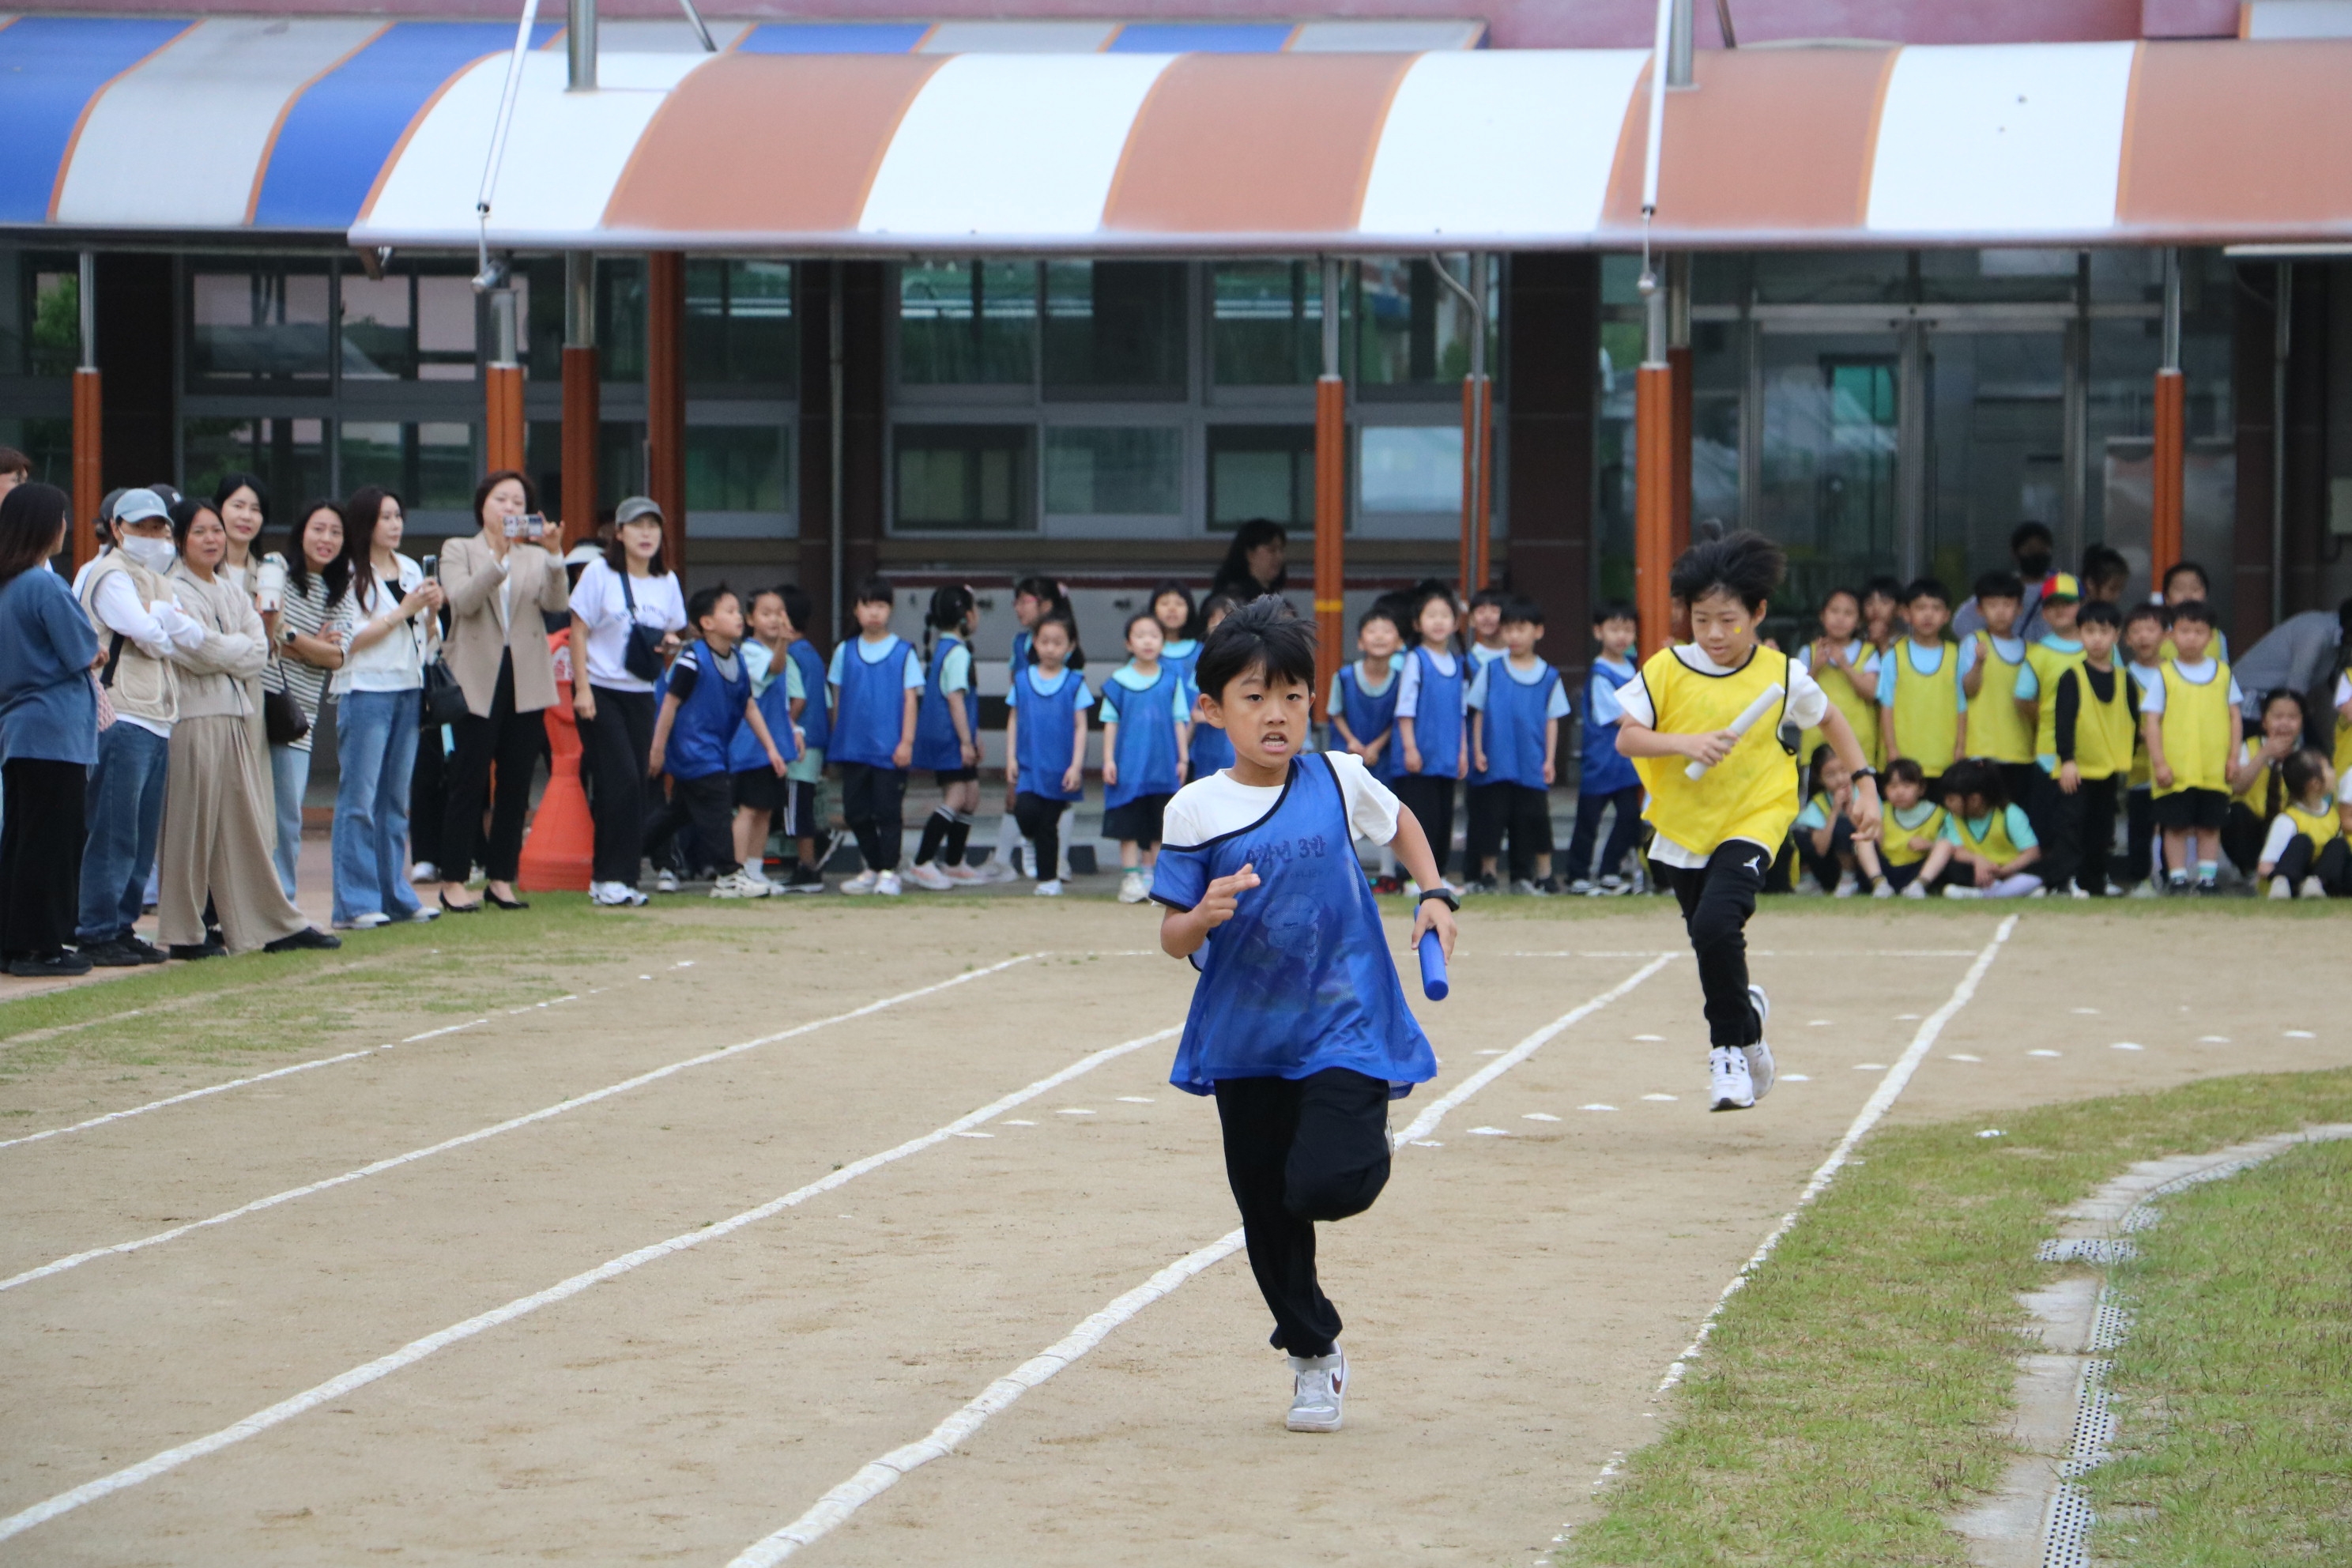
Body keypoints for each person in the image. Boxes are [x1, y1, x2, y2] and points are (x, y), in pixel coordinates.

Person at [1150, 595, 1453, 1436]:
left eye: (1291, 695)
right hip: (1247, 1037)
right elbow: (1170, 937)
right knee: (1266, 1212)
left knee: (1324, 1182)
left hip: (1343, 1017)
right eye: (1254, 697)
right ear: (1212, 710)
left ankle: (1359, 1139)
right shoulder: (1195, 810)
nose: (1276, 714)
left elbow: (1402, 825)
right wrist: (1199, 916)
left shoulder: (1336, 776)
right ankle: (1313, 1356)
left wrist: (1433, 891)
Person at [1614, 532, 1879, 1113]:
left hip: (1757, 816)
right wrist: (1687, 743)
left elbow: (1832, 721)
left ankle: (1726, 1052)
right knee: (1710, 945)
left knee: (1715, 926)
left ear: (1757, 614)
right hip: (1683, 826)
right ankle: (1750, 1026)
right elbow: (1627, 737)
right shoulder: (1667, 669)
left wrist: (1867, 787)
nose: (1713, 633)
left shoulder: (1783, 675)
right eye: (1701, 619)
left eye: (1728, 620)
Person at [157, 496, 337, 957]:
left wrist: (227, 649)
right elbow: (192, 652)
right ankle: (183, 932)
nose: (212, 539)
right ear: (179, 539)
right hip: (194, 719)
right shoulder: (170, 589)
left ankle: (270, 924)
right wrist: (232, 649)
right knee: (189, 827)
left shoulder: (233, 589)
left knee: (247, 828)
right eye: (199, 531)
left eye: (216, 530)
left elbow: (258, 650)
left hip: (241, 717)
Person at [74, 488, 200, 967]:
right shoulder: (107, 573)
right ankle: (97, 929)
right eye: (143, 527)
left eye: (160, 527)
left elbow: (184, 635)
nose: (155, 536)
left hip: (157, 717)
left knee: (142, 834)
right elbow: (147, 632)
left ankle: (121, 926)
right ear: (116, 527)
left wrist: (162, 623)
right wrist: (165, 622)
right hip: (120, 712)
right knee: (113, 830)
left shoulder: (153, 577)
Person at [437, 469, 570, 913]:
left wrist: (554, 556)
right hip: (476, 676)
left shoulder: (534, 556)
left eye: (518, 502)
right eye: (501, 500)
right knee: (468, 780)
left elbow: (556, 605)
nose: (510, 509)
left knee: (515, 783)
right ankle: (454, 878)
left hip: (526, 675)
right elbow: (463, 601)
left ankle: (501, 878)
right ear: (483, 506)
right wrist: (496, 560)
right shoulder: (460, 549)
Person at [0, 484, 99, 977]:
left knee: (20, 838)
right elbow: (84, 649)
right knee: (53, 841)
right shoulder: (44, 584)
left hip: (17, 727)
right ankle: (42, 944)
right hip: (55, 728)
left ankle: (13, 940)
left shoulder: (7, 584)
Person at [330, 487, 441, 930]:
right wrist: (404, 611)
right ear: (366, 524)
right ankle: (354, 903)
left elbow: (428, 636)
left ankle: (394, 894)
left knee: (395, 801)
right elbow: (347, 639)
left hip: (408, 687)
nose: (395, 525)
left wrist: (431, 612)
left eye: (398, 516)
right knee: (359, 799)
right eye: (385, 517)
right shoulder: (348, 573)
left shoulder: (412, 568)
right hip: (365, 689)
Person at [570, 496, 684, 909]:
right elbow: (578, 631)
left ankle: (618, 878)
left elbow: (670, 635)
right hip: (600, 688)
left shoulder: (666, 581)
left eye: (653, 526)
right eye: (637, 526)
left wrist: (669, 646)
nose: (647, 534)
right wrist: (582, 690)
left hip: (641, 692)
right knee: (621, 780)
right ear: (618, 533)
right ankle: (610, 877)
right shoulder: (599, 573)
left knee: (636, 786)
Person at [645, 586, 788, 900]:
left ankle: (624, 851)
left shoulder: (736, 657)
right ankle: (728, 874)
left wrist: (771, 748)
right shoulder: (692, 660)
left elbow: (749, 705)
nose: (738, 617)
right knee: (719, 807)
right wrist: (658, 750)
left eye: (738, 611)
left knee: (677, 814)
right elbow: (669, 704)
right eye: (730, 611)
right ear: (707, 623)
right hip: (693, 751)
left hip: (713, 751)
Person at [258, 500, 352, 902]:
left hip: (300, 718)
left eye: (335, 532)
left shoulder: (340, 587)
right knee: (250, 815)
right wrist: (309, 643)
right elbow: (265, 625)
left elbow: (338, 657)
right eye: (318, 529)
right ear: (301, 532)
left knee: (287, 817)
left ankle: (284, 903)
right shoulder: (275, 567)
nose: (326, 539)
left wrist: (290, 638)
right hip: (258, 703)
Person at [2140, 599, 2243, 895]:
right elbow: (2151, 722)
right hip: (2176, 768)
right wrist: (2159, 763)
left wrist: (2233, 757)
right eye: (2185, 631)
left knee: (2210, 825)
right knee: (2175, 825)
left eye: (2199, 632)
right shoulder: (2164, 674)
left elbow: (2234, 716)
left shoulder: (2223, 673)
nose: (2191, 638)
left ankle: (2207, 879)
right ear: (2172, 635)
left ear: (2211, 637)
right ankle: (2177, 877)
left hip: (2213, 767)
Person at [828, 575, 922, 896]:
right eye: (867, 605)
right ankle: (874, 865)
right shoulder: (845, 651)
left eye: (880, 605)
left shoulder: (903, 652)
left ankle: (888, 871)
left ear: (890, 610)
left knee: (887, 811)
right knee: (855, 811)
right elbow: (837, 698)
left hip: (890, 749)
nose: (874, 613)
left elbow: (911, 699)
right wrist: (837, 738)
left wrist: (906, 741)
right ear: (856, 610)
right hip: (854, 747)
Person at [1465, 598, 1566, 895]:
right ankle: (1488, 875)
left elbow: (1552, 721)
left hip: (1532, 761)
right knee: (1492, 818)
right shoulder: (1491, 669)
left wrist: (1549, 760)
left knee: (1534, 818)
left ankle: (1539, 876)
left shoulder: (1549, 676)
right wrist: (1478, 750)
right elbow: (1479, 711)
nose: (1514, 636)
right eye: (1508, 629)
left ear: (1538, 631)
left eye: (1521, 629)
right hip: (1496, 759)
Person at [985, 575, 1080, 884]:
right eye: (1017, 601)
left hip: (1057, 742)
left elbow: (1075, 712)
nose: (1017, 608)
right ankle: (1018, 852)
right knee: (1023, 803)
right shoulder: (1020, 645)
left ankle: (1054, 863)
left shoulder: (1068, 663)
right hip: (1029, 738)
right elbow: (1016, 696)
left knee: (1054, 806)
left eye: (1024, 600)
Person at [1099, 609, 1191, 903]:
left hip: (1162, 766)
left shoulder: (1171, 680)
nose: (1147, 641)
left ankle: (1154, 880)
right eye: (1140, 636)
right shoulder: (1118, 681)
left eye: (1154, 635)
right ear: (1129, 643)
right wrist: (1109, 760)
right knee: (1127, 825)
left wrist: (1183, 758)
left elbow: (1180, 720)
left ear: (1162, 641)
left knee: (1157, 826)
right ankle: (1131, 878)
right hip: (1128, 766)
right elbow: (1110, 723)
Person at [2045, 600, 2135, 896]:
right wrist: (2067, 760)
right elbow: (2064, 721)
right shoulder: (2072, 675)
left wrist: (2129, 757)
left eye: (2103, 631)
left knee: (2102, 829)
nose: (2096, 638)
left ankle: (2095, 880)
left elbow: (2132, 720)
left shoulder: (2125, 678)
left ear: (2116, 636)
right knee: (2071, 827)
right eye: (2089, 631)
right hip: (2077, 768)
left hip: (2109, 767)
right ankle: (2063, 881)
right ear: (2080, 634)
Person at [1003, 612, 1090, 899]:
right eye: (1044, 641)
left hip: (1060, 768)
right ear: (1034, 644)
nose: (1050, 648)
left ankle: (1048, 879)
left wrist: (1076, 766)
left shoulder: (1075, 682)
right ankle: (1030, 843)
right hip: (1029, 765)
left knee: (1048, 824)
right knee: (1025, 811)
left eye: (1057, 642)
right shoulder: (1022, 679)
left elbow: (1080, 726)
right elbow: (1013, 719)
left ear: (1070, 646)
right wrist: (1011, 758)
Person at [904, 585, 984, 892]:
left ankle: (954, 862)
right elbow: (955, 698)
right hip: (949, 737)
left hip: (955, 735)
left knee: (971, 795)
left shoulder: (945, 648)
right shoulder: (958, 653)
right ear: (966, 616)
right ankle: (922, 862)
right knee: (956, 797)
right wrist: (966, 741)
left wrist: (973, 736)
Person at [729, 587, 805, 897]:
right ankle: (734, 874)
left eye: (779, 612)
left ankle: (754, 871)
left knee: (764, 810)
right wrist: (785, 641)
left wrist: (795, 731)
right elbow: (772, 670)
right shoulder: (749, 652)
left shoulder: (777, 653)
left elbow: (782, 703)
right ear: (750, 619)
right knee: (747, 810)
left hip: (773, 744)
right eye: (766, 613)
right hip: (751, 746)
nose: (774, 619)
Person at [1564, 601, 1643, 896]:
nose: (1621, 636)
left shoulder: (1633, 666)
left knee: (1629, 818)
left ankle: (1610, 870)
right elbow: (1617, 716)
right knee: (1588, 821)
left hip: (1626, 763)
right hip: (1600, 762)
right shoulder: (1600, 673)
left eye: (1628, 629)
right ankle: (1577, 875)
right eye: (1614, 629)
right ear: (1598, 632)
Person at [1393, 587, 1467, 890]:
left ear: (1456, 623)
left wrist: (1462, 752)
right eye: (1431, 615)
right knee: (1420, 818)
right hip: (1420, 756)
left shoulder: (1458, 663)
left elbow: (1461, 712)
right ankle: (1413, 878)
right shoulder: (1416, 660)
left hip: (1447, 756)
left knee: (1442, 819)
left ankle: (1438, 877)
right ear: (1417, 623)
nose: (1438, 621)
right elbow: (1405, 708)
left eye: (1445, 615)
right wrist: (1410, 747)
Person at [1328, 605, 1404, 888]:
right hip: (1347, 752)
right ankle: (1351, 876)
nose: (1380, 637)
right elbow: (1335, 712)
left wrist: (1376, 746)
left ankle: (1388, 874)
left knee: (1385, 808)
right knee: (1347, 810)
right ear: (1360, 641)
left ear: (1399, 642)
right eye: (1372, 631)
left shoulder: (1400, 679)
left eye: (1387, 631)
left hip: (1382, 756)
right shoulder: (1344, 676)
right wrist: (1352, 742)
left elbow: (1399, 718)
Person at [1879, 578, 1969, 786]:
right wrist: (1892, 750)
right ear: (1906, 614)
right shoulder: (1893, 657)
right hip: (1904, 761)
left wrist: (1960, 748)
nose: (1928, 614)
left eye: (1936, 608)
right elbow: (1886, 707)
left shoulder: (1956, 656)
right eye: (1920, 608)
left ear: (1947, 615)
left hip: (1945, 760)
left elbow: (1962, 706)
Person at [2229, 598, 2351, 744]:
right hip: (2250, 699)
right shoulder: (2317, 632)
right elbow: (2297, 685)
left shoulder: (2338, 640)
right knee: (2309, 755)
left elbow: (2337, 681)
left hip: (2277, 701)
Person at [1959, 571, 2034, 805]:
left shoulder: (2032, 651)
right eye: (1992, 605)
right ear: (1980, 610)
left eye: (2007, 604)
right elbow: (1968, 690)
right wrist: (1979, 663)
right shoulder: (1973, 643)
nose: (2000, 611)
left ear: (2019, 608)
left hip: (2021, 750)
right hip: (1983, 748)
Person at [775, 584, 831, 893]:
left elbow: (798, 701)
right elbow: (826, 701)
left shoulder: (790, 655)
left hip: (800, 744)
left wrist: (785, 729)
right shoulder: (811, 653)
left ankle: (807, 868)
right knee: (801, 803)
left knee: (798, 808)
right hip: (817, 740)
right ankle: (811, 858)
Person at [1926, 759, 2045, 899]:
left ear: (1975, 799)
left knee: (2037, 874)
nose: (1947, 803)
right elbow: (1958, 851)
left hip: (2010, 870)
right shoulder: (1952, 818)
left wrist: (2004, 871)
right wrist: (1978, 860)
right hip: (1976, 871)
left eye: (1951, 799)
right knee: (1952, 868)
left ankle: (1983, 894)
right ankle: (2010, 892)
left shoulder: (2009, 814)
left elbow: (2032, 853)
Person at [2222, 689, 2306, 876]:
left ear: (2301, 722)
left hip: (2287, 826)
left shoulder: (2305, 756)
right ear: (2264, 721)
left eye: (2292, 717)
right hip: (2252, 825)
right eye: (2278, 717)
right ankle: (2250, 871)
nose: (2284, 723)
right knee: (2236, 812)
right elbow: (2237, 787)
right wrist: (2264, 754)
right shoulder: (2248, 747)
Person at [1797, 586, 1883, 770]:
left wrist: (1845, 665)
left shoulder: (1868, 652)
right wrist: (1817, 667)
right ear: (1823, 615)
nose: (1840, 618)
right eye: (1834, 611)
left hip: (1858, 743)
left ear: (1858, 621)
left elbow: (1871, 693)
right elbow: (1796, 695)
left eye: (1848, 613)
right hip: (1816, 743)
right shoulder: (1808, 652)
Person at [2120, 603, 2169, 891]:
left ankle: (2169, 877)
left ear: (2166, 635)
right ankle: (2140, 880)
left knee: (2171, 824)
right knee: (2139, 824)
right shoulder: (2122, 675)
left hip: (2172, 764)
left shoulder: (2174, 674)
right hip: (2138, 766)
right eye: (2135, 631)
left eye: (2151, 629)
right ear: (2126, 638)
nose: (2143, 637)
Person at [1793, 744, 1883, 896]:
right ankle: (1810, 881)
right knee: (1802, 832)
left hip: (1865, 863)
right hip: (1830, 865)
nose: (1840, 779)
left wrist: (1850, 811)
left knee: (1845, 827)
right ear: (1820, 779)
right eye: (1830, 775)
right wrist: (1834, 812)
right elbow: (1820, 849)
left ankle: (1854, 880)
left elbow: (1878, 838)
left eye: (1844, 771)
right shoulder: (1819, 803)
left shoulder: (1865, 796)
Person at [2254, 748, 2346, 899]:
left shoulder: (2333, 816)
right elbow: (2264, 867)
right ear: (2315, 784)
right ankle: (2283, 883)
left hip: (2319, 882)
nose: (2333, 771)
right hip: (2292, 882)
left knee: (2339, 845)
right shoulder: (2287, 820)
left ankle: (2316, 883)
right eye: (2328, 768)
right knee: (2302, 841)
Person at [1953, 522, 2056, 641]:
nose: (2037, 554)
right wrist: (1994, 647)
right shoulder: (2004, 586)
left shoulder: (2062, 586)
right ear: (2015, 553)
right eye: (2030, 549)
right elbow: (1962, 623)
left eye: (2042, 549)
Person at [1187, 594, 1243, 784]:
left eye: (1225, 618)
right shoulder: (1203, 661)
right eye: (1214, 620)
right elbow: (1194, 711)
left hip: (1238, 744)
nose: (1219, 625)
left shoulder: (1248, 659)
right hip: (1208, 748)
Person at [1871, 757, 1946, 899]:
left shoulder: (1937, 813)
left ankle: (1919, 886)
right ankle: (1878, 884)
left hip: (1918, 869)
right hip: (1885, 868)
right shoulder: (1880, 810)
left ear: (1921, 789)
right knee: (1862, 839)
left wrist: (1930, 846)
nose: (1899, 792)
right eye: (1893, 787)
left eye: (1906, 786)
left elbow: (1949, 848)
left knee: (1945, 845)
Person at [2158, 562, 2230, 663]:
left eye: (2195, 589)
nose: (2188, 595)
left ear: (2205, 595)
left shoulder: (2217, 636)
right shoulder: (2157, 635)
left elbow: (2225, 672)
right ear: (2167, 598)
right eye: (2179, 589)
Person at [1209, 518, 1287, 602]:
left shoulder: (1280, 604)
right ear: (1250, 554)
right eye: (1271, 550)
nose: (1279, 557)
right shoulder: (1228, 601)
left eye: (1281, 551)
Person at [1151, 579, 1203, 692]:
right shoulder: (1146, 649)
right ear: (1153, 610)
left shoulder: (1202, 651)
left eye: (1179, 604)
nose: (1172, 609)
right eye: (1165, 603)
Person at [1860, 575, 1906, 659]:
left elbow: (1895, 671)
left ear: (1899, 609)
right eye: (1869, 603)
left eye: (1885, 602)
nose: (1876, 608)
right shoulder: (1857, 641)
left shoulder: (1907, 644)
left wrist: (1883, 644)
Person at [1464, 588, 1509, 669]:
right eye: (1481, 612)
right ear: (1471, 620)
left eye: (1494, 611)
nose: (1487, 616)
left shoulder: (1517, 654)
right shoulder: (1468, 660)